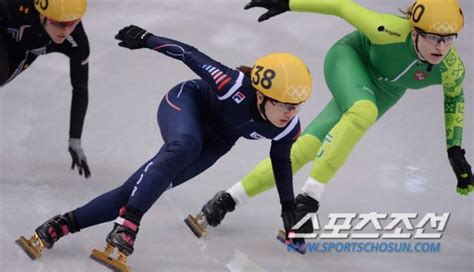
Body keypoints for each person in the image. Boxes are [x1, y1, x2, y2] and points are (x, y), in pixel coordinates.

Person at [16, 25, 313, 270]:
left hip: (217, 142)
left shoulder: (287, 126)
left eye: (297, 107)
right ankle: (128, 225)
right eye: (285, 105)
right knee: (186, 144)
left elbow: (281, 160)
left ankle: (61, 225)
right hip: (186, 104)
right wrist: (146, 39)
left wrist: (287, 206)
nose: (290, 113)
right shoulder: (233, 84)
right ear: (261, 95)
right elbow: (190, 54)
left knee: (139, 188)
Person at [194, 0, 473, 246]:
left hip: (384, 91)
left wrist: (454, 149)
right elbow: (340, 5)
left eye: (449, 39)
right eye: (435, 38)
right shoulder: (385, 29)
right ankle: (309, 199)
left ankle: (227, 199)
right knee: (364, 111)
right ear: (415, 32)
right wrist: (288, 3)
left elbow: (455, 98)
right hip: (349, 59)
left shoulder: (451, 67)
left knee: (304, 148)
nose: (442, 47)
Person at [1, 0, 91, 178]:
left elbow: (80, 89)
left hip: (23, 49)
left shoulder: (77, 41)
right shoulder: (15, 7)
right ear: (42, 14)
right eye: (58, 23)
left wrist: (75, 140)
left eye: (72, 24)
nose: (64, 31)